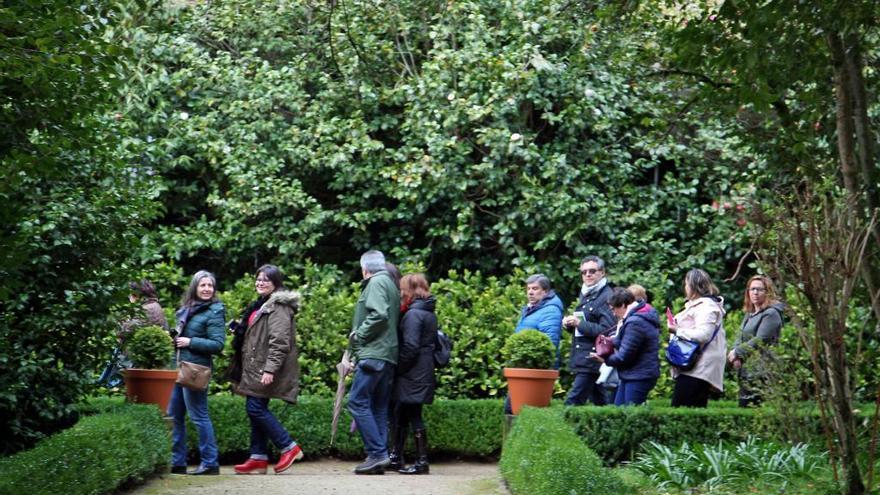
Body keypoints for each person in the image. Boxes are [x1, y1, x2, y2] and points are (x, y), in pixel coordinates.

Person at [231, 265, 305, 475]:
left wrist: (270, 369)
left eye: (266, 279)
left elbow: (280, 341)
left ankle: (289, 447)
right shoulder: (262, 304)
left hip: (264, 367)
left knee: (255, 408)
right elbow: (259, 334)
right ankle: (258, 457)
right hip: (255, 366)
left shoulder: (278, 306)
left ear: (276, 283)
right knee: (254, 409)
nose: (260, 283)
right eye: (258, 279)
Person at [347, 250, 400, 474]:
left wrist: (359, 335)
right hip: (386, 355)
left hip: (373, 354)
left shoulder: (376, 282)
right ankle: (379, 457)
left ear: (364, 269)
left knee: (357, 402)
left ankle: (377, 453)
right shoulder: (389, 283)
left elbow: (378, 315)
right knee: (378, 406)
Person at [168, 270, 226, 475]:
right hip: (178, 367)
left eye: (210, 285)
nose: (207, 289)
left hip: (195, 370)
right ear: (195, 287)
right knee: (174, 416)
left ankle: (210, 463)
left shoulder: (215, 311)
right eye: (203, 285)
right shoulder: (187, 309)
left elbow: (218, 344)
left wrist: (190, 341)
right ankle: (178, 462)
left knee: (199, 416)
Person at [390, 273, 438, 475]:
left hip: (412, 372)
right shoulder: (428, 312)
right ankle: (396, 456)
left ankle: (421, 461)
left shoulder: (413, 314)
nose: (400, 293)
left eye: (403, 289)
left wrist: (398, 368)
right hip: (422, 369)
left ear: (410, 290)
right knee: (404, 411)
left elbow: (410, 346)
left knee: (413, 414)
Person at [668, 269, 727, 408]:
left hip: (699, 367)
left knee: (681, 410)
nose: (685, 288)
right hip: (693, 366)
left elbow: (704, 335)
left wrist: (677, 330)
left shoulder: (707, 306)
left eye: (687, 284)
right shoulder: (697, 305)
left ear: (694, 287)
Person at [591, 288, 660, 406]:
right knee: (620, 413)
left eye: (613, 309)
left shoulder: (635, 322)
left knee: (630, 417)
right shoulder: (638, 316)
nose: (613, 313)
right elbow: (628, 342)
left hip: (639, 376)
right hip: (634, 374)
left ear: (623, 305)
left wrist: (605, 359)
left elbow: (624, 356)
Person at [562, 256, 616, 406]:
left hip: (593, 358)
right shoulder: (587, 293)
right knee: (600, 402)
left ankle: (560, 428)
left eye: (592, 271)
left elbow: (608, 329)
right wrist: (570, 325)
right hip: (585, 357)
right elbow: (585, 326)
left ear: (602, 272)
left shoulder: (607, 296)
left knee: (572, 402)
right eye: (584, 272)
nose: (587, 275)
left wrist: (579, 323)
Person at [728, 275, 784, 407]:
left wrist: (737, 352)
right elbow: (739, 336)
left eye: (760, 289)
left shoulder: (771, 313)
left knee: (755, 408)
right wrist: (736, 356)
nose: (755, 293)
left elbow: (761, 339)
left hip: (762, 370)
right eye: (752, 289)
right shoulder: (750, 313)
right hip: (746, 370)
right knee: (744, 408)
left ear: (767, 292)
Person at [514, 274, 564, 356]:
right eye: (528, 289)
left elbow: (549, 344)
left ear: (545, 292)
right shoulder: (531, 309)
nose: (530, 292)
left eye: (535, 289)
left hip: (539, 365)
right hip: (525, 362)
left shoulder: (551, 310)